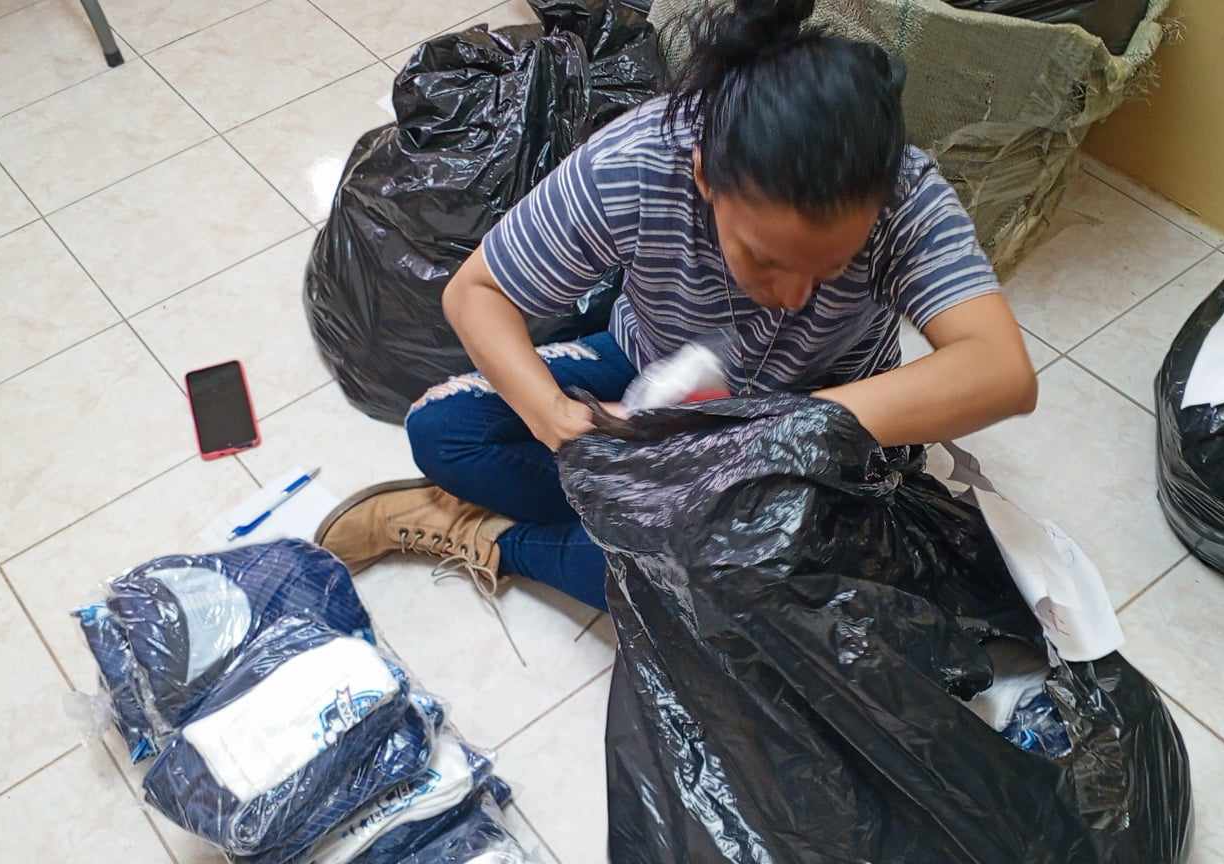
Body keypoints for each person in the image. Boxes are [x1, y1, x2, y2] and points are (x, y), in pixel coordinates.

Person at [315, 0, 1038, 611]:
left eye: (833, 267)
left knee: (733, 592)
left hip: (818, 429)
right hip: (650, 369)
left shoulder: (903, 197)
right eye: (765, 259)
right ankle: (643, 537)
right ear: (704, 177)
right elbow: (477, 293)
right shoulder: (641, 162)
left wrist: (754, 436)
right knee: (446, 432)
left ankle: (507, 542)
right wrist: (555, 417)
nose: (794, 297)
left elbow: (1001, 372)